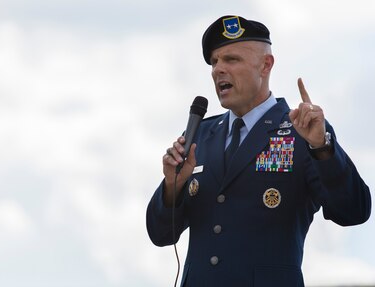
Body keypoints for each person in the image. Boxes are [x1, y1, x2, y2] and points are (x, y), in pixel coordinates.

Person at [146, 15, 371, 287]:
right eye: (214, 62)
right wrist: (173, 186)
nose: (218, 70)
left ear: (266, 65)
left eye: (231, 60)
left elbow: (354, 211)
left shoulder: (302, 131)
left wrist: (322, 147)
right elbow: (160, 235)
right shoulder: (200, 136)